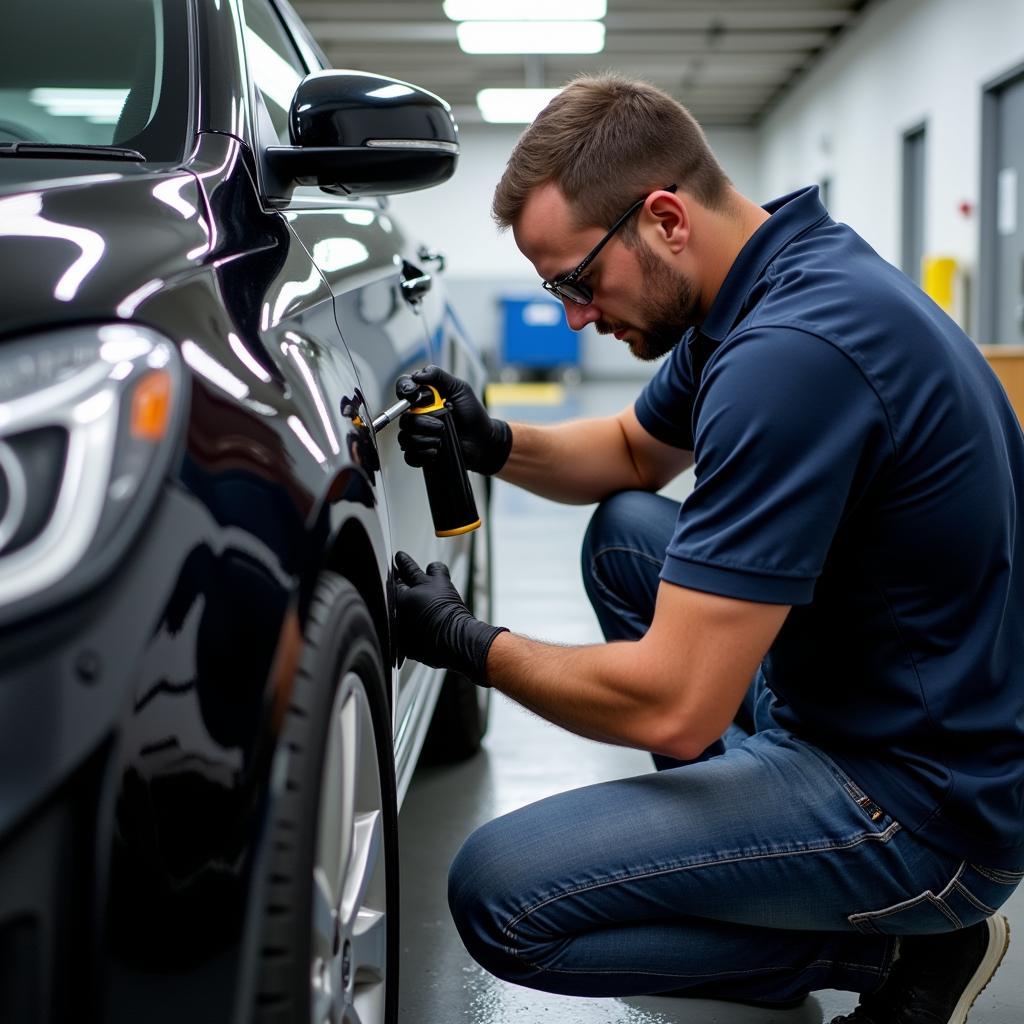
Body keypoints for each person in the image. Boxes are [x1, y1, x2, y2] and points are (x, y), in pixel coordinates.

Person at [391, 73, 1024, 1023]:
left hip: (922, 807)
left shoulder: (791, 355)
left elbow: (677, 708)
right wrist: (495, 444)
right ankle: (754, 863)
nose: (572, 315)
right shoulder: (771, 273)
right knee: (626, 535)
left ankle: (902, 946)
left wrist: (466, 643)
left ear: (664, 219)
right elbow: (636, 454)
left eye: (577, 281)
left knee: (501, 893)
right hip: (877, 700)